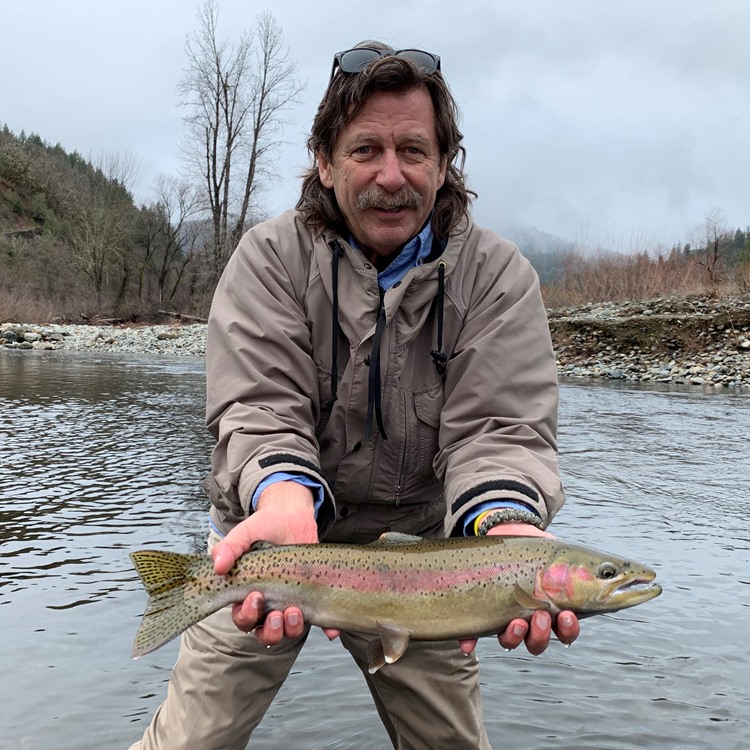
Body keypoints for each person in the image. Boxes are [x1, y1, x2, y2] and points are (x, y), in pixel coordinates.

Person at [131, 41, 580, 750]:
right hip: (268, 538)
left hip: (427, 567)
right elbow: (258, 406)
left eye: (414, 150)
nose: (391, 175)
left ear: (444, 162)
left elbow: (500, 428)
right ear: (324, 159)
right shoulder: (269, 260)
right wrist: (281, 498)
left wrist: (502, 529)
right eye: (366, 149)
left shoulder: (496, 278)